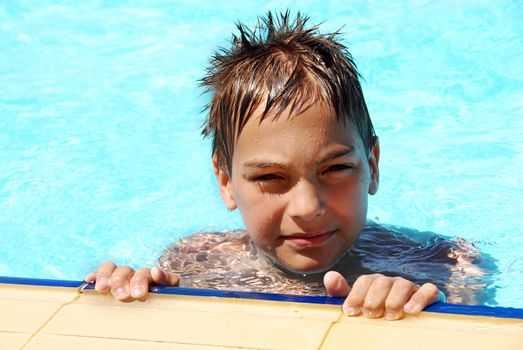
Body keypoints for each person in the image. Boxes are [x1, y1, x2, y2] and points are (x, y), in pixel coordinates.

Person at [85, 11, 486, 320]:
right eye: (271, 177)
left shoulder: (443, 262)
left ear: (373, 165)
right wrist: (133, 296)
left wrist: (425, 304)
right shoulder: (194, 263)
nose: (308, 207)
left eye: (336, 169)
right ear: (226, 183)